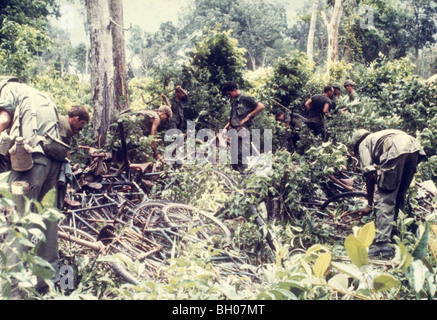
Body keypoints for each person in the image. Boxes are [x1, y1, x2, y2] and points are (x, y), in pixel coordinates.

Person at [0, 78, 67, 297]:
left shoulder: (8, 89)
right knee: (48, 223)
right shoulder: (40, 95)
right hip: (54, 164)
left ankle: (12, 291)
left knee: (16, 224)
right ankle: (48, 287)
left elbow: (3, 119)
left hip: (30, 163)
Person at [350, 128, 426, 257]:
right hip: (414, 147)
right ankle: (396, 234)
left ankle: (383, 244)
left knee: (385, 196)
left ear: (356, 143)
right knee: (399, 194)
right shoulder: (377, 136)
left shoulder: (364, 143)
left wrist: (369, 204)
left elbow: (369, 175)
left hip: (397, 149)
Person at [221, 81, 265, 173]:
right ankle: (236, 179)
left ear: (234, 90)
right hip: (234, 131)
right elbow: (233, 117)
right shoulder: (234, 101)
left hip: (242, 131)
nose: (228, 96)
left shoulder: (245, 98)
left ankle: (245, 179)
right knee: (234, 157)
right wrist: (225, 128)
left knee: (240, 156)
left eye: (229, 93)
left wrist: (247, 117)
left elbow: (261, 106)